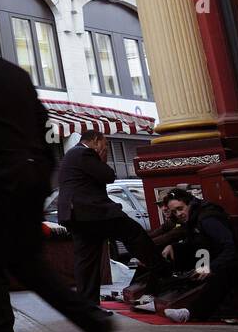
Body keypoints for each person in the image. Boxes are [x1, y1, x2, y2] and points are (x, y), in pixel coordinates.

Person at [0, 14, 114, 332]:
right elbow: (44, 124)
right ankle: (92, 322)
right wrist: (42, 171)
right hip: (29, 182)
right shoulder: (17, 75)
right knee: (29, 266)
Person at [56, 130, 167, 310]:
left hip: (76, 214)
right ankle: (161, 268)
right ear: (96, 141)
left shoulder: (71, 154)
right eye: (105, 144)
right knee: (134, 233)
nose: (105, 148)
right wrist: (103, 159)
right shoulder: (85, 152)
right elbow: (108, 176)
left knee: (87, 261)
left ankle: (88, 306)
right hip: (92, 212)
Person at [158, 188, 238, 323]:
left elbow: (231, 248)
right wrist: (174, 247)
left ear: (190, 204)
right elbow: (196, 241)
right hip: (210, 255)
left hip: (233, 261)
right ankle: (154, 293)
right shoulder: (194, 218)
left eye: (180, 209)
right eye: (174, 211)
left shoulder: (208, 219)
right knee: (176, 253)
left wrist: (211, 267)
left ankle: (190, 312)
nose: (178, 214)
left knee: (221, 273)